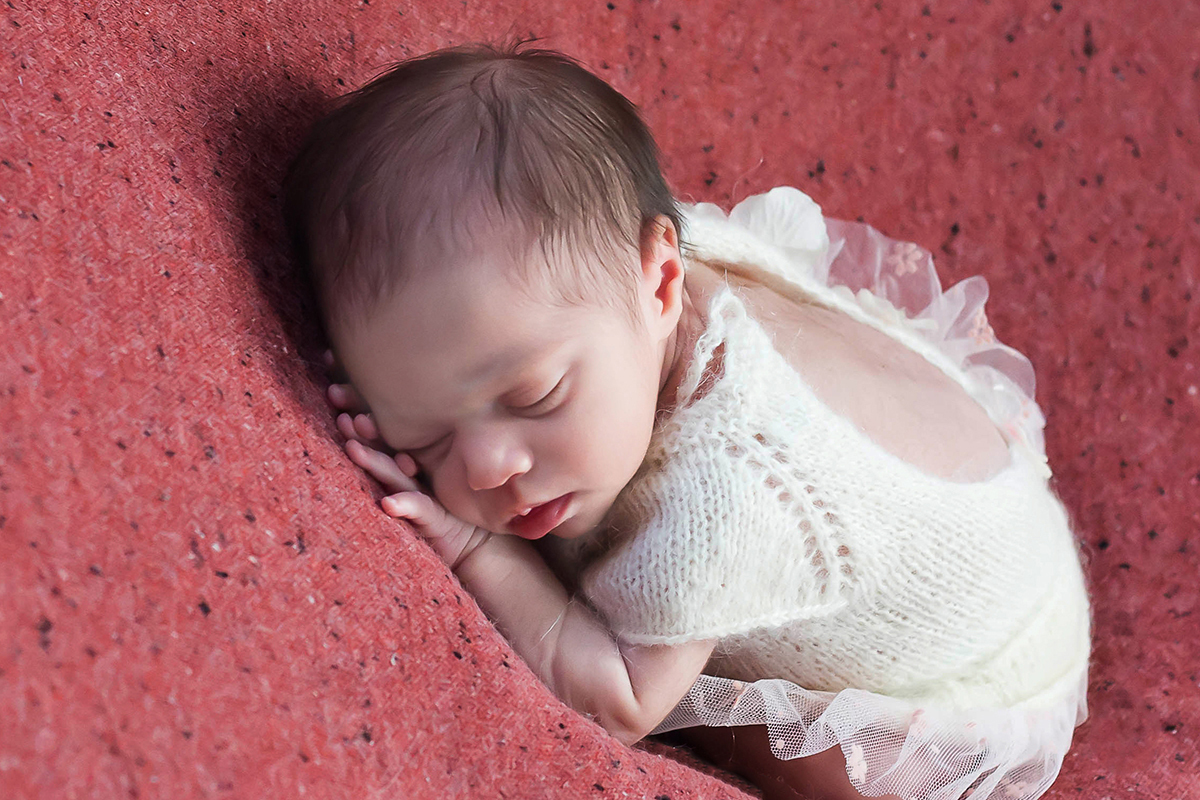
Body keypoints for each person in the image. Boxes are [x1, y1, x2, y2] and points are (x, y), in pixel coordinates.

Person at [282, 42, 1090, 800]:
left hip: (983, 670)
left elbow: (621, 703)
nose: (487, 466)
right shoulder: (609, 295)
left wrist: (474, 545)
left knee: (752, 731)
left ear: (663, 279)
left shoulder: (723, 495)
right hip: (958, 487)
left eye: (533, 397)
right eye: (424, 437)